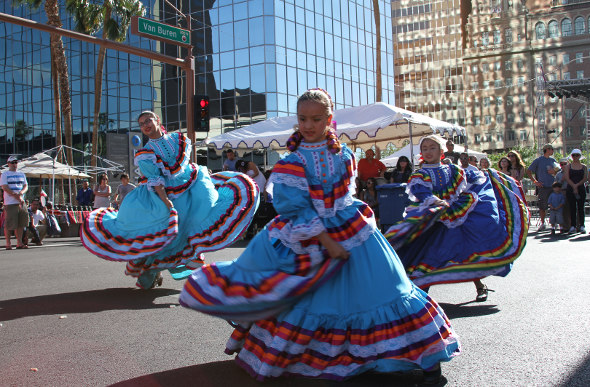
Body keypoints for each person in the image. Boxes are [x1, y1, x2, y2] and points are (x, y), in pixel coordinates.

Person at [180, 89, 460, 384]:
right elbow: (294, 207)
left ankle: (422, 355)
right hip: (314, 234)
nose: (309, 125)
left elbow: (344, 195)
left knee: (386, 289)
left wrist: (341, 225)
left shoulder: (345, 155)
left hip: (354, 229)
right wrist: (326, 240)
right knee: (310, 296)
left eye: (316, 118)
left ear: (329, 118)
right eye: (303, 119)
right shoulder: (292, 162)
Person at [81, 111, 259, 289]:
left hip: (190, 188)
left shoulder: (177, 139)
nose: (145, 125)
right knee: (161, 232)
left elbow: (184, 165)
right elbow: (156, 180)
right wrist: (166, 202)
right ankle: (152, 271)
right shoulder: (145, 153)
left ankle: (190, 270)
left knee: (197, 221)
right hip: (162, 195)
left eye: (148, 121)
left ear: (157, 120)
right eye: (141, 124)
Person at [385, 135, 529, 302]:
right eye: (425, 149)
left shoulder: (453, 170)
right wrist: (433, 200)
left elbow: (471, 179)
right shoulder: (420, 174)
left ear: (442, 152)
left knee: (467, 250)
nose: (428, 151)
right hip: (434, 218)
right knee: (426, 255)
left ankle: (480, 285)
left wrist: (486, 174)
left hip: (457, 215)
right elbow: (421, 191)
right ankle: (420, 298)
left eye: (432, 148)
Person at [527, 144, 559, 231]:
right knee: (542, 206)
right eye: (552, 149)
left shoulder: (553, 160)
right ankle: (543, 223)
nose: (553, 151)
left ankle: (554, 222)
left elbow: (558, 171)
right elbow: (529, 171)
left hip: (553, 186)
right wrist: (535, 182)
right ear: (547, 149)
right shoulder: (538, 160)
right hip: (543, 187)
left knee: (554, 205)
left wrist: (554, 172)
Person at [1, 156, 29, 250]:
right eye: (12, 162)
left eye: (16, 162)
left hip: (21, 201)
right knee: (9, 224)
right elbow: (5, 187)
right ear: (8, 163)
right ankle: (8, 243)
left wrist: (21, 193)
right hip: (10, 202)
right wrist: (16, 195)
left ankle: (19, 242)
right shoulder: (5, 174)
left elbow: (25, 186)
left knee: (21, 223)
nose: (14, 164)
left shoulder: (22, 174)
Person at [564, 148, 588, 234]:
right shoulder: (568, 166)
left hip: (581, 187)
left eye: (577, 155)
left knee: (581, 207)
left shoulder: (584, 166)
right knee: (572, 207)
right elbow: (566, 177)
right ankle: (572, 226)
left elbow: (585, 178)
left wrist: (577, 185)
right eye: (573, 155)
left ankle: (582, 225)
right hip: (570, 188)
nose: (575, 157)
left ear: (580, 156)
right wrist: (573, 186)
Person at [554, 158, 571, 231]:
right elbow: (556, 185)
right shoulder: (558, 174)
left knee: (570, 209)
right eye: (562, 164)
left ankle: (572, 225)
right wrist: (562, 180)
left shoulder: (571, 172)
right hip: (562, 192)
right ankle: (564, 226)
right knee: (563, 210)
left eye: (565, 164)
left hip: (570, 191)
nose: (563, 165)